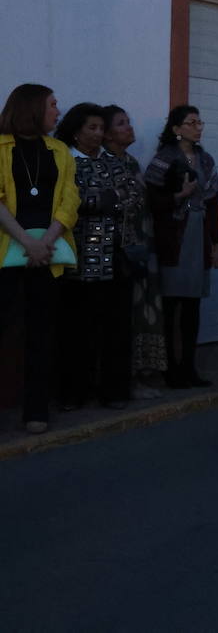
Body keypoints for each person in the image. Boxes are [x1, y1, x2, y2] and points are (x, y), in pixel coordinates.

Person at [0, 84, 78, 434]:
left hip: (49, 254)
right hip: (7, 253)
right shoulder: (1, 147)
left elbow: (69, 201)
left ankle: (36, 408)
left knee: (41, 334)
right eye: (52, 104)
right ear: (32, 107)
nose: (58, 111)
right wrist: (26, 243)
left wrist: (44, 242)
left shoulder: (60, 150)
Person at [55, 103, 135, 412]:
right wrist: (107, 198)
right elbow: (69, 200)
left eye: (101, 128)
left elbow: (134, 195)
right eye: (92, 128)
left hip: (115, 255)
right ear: (75, 131)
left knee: (115, 328)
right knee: (76, 330)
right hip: (77, 258)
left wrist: (104, 199)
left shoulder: (112, 161)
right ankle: (73, 392)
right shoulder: (65, 160)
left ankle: (113, 390)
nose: (99, 134)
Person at [145, 105, 218, 388]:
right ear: (177, 129)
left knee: (192, 307)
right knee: (171, 306)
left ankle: (189, 368)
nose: (198, 127)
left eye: (200, 122)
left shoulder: (205, 160)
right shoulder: (164, 159)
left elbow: (214, 203)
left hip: (198, 236)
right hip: (173, 239)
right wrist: (180, 195)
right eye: (192, 122)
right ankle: (170, 370)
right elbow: (152, 202)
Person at [102, 104, 163, 399]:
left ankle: (142, 375)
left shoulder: (133, 164)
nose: (129, 127)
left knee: (143, 310)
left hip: (141, 247)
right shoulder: (104, 164)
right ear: (107, 133)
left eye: (129, 121)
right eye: (121, 123)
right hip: (118, 250)